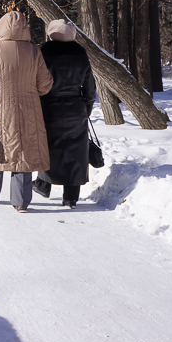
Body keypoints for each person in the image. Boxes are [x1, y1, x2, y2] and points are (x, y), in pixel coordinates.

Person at [0, 11, 54, 212]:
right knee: (23, 153)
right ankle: (21, 201)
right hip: (29, 109)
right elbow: (45, 86)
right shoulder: (34, 51)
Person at [32, 19, 97, 208]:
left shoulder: (43, 53)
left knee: (49, 147)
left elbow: (36, 82)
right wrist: (86, 108)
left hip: (49, 106)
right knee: (75, 151)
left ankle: (44, 185)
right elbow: (90, 87)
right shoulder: (80, 53)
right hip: (75, 107)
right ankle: (70, 197)